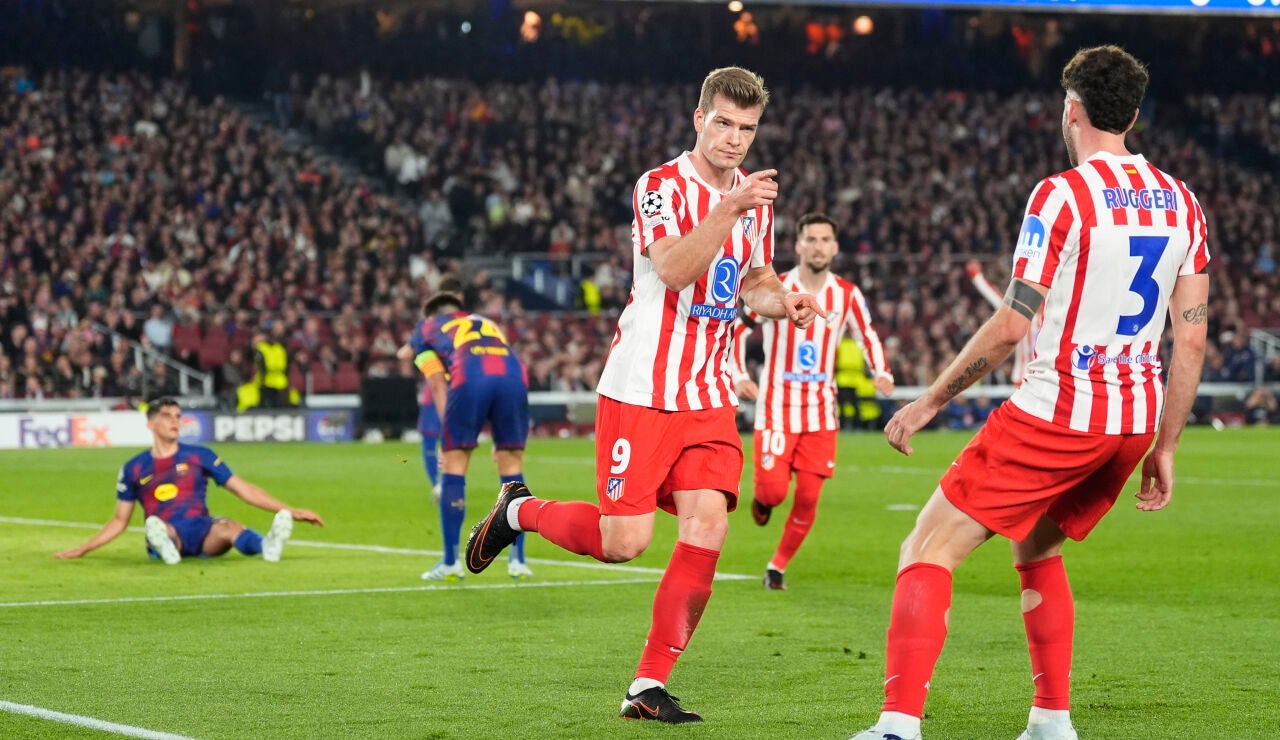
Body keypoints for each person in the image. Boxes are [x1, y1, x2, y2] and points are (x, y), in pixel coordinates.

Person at [851, 46, 1210, 740]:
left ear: (1072, 110)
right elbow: (1189, 341)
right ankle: (1051, 721)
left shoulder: (1062, 195)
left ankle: (897, 726)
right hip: (1132, 421)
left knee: (926, 550)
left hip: (1060, 410)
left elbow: (1012, 324)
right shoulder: (1183, 203)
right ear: (1133, 115)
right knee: (1038, 549)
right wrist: (1165, 446)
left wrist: (929, 401)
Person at [464, 66, 822, 723]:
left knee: (708, 526)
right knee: (623, 542)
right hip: (642, 389)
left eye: (746, 128)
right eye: (723, 123)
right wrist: (730, 209)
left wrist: (785, 302)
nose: (734, 138)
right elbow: (675, 269)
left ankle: (647, 684)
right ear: (699, 119)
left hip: (708, 393)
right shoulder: (658, 186)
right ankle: (519, 511)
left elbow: (755, 280)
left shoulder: (754, 200)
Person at [729, 212, 894, 590]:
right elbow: (739, 329)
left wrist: (881, 371)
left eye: (825, 240)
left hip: (821, 413)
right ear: (799, 245)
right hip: (776, 408)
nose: (819, 247)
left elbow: (867, 334)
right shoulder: (776, 288)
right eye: (812, 239)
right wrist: (739, 375)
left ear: (835, 247)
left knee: (807, 499)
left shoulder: (847, 294)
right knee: (773, 492)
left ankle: (776, 567)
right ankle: (763, 500)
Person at [53, 397, 325, 564]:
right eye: (166, 416)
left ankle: (268, 546)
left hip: (202, 530)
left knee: (229, 527)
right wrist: (84, 549)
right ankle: (165, 546)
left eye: (178, 416)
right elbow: (119, 520)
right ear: (151, 424)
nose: (175, 422)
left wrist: (291, 511)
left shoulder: (199, 455)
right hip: (170, 528)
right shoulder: (133, 468)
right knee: (158, 528)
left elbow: (243, 489)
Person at [408, 282, 533, 581]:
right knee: (511, 466)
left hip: (471, 376)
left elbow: (437, 382)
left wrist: (446, 435)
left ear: (431, 314)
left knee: (455, 463)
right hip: (513, 375)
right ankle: (518, 561)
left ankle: (451, 561)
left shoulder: (425, 329)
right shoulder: (484, 322)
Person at [967, 258, 1042, 386]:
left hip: (1046, 380)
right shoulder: (1020, 313)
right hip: (1023, 379)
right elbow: (996, 298)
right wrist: (976, 276)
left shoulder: (1053, 314)